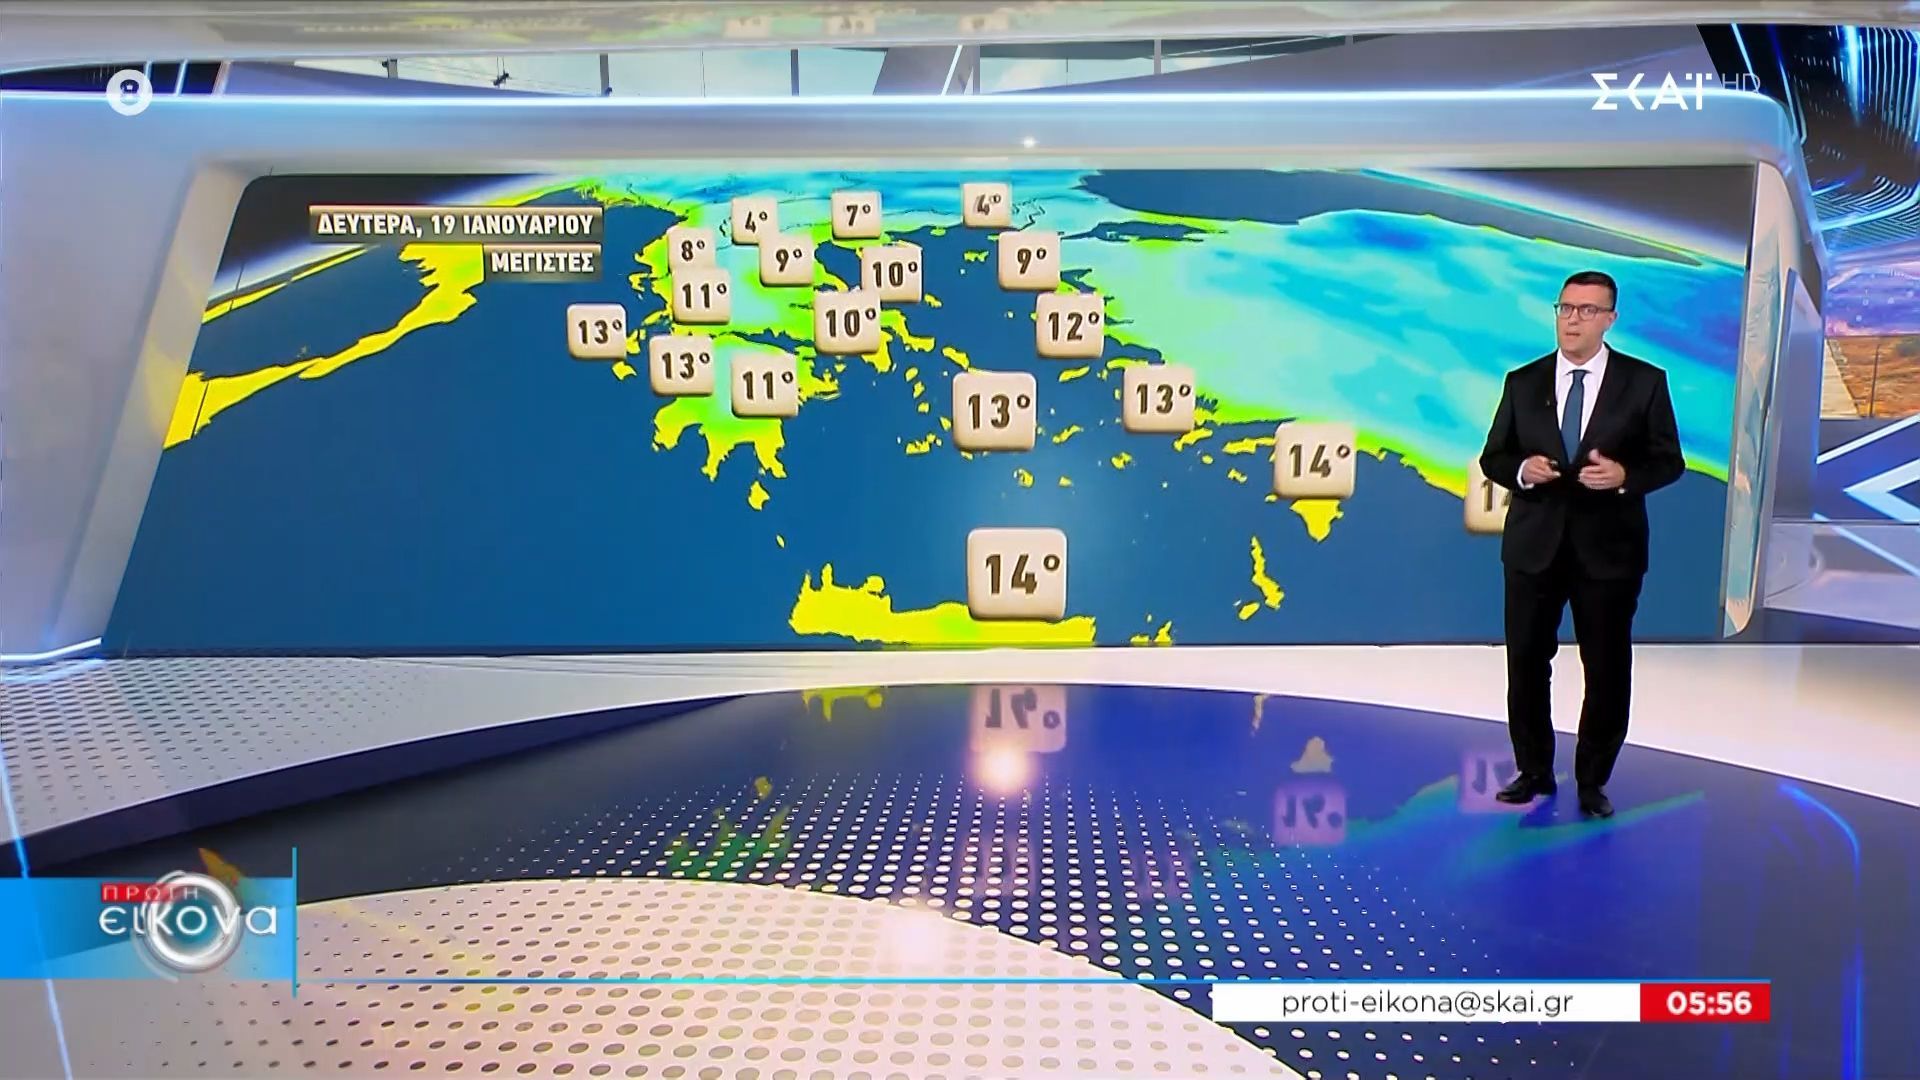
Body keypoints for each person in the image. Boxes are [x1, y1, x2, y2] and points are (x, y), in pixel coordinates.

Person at [1477, 270, 1685, 818]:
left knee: (1607, 669)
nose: (1573, 320)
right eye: (1565, 308)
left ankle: (1593, 781)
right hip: (1534, 548)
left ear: (1610, 319)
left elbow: (1669, 461)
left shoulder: (1644, 382)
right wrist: (1521, 470)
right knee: (1526, 663)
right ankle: (1534, 770)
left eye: (1587, 310)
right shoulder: (1523, 382)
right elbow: (1493, 456)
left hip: (1608, 552)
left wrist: (1624, 475)